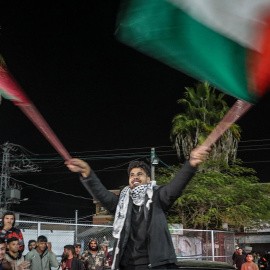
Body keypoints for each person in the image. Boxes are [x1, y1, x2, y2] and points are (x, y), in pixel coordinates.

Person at [66, 146, 209, 270]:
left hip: (156, 265)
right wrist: (87, 173)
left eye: (140, 174)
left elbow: (175, 188)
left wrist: (190, 164)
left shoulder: (158, 197)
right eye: (132, 174)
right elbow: (102, 195)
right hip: (128, 265)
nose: (135, 177)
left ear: (148, 179)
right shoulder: (122, 202)